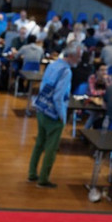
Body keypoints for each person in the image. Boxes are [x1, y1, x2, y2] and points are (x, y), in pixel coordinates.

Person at [27, 43, 82, 188]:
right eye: (78, 57)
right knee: (51, 149)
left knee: (39, 143)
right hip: (53, 113)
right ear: (71, 56)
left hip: (41, 108)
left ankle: (32, 173)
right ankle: (43, 179)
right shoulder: (66, 71)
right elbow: (59, 96)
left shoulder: (52, 64)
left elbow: (43, 85)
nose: (80, 60)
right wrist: (62, 115)